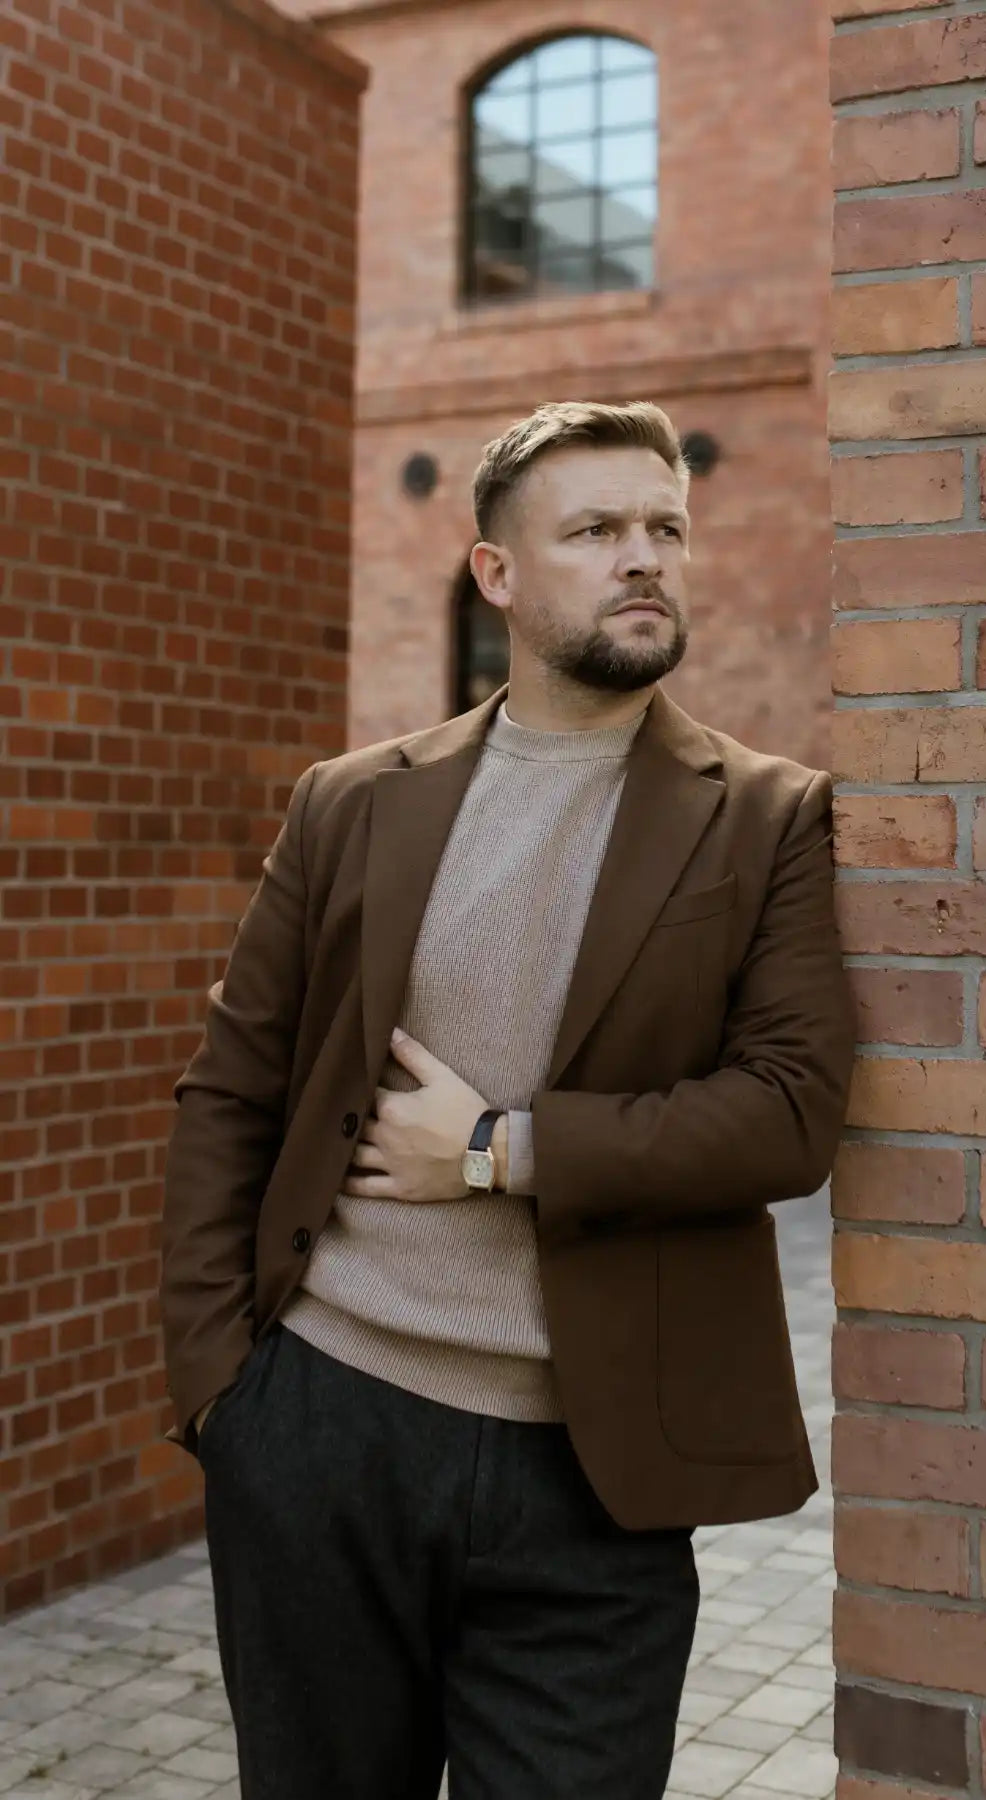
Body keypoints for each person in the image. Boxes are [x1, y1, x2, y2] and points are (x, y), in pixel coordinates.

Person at [160, 399, 856, 1800]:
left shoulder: (768, 815)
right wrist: (221, 1394)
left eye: (662, 528)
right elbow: (231, 1092)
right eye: (594, 531)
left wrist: (497, 1152)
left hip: (591, 1471)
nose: (640, 559)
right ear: (497, 575)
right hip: (321, 1429)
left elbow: (787, 1111)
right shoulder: (352, 804)